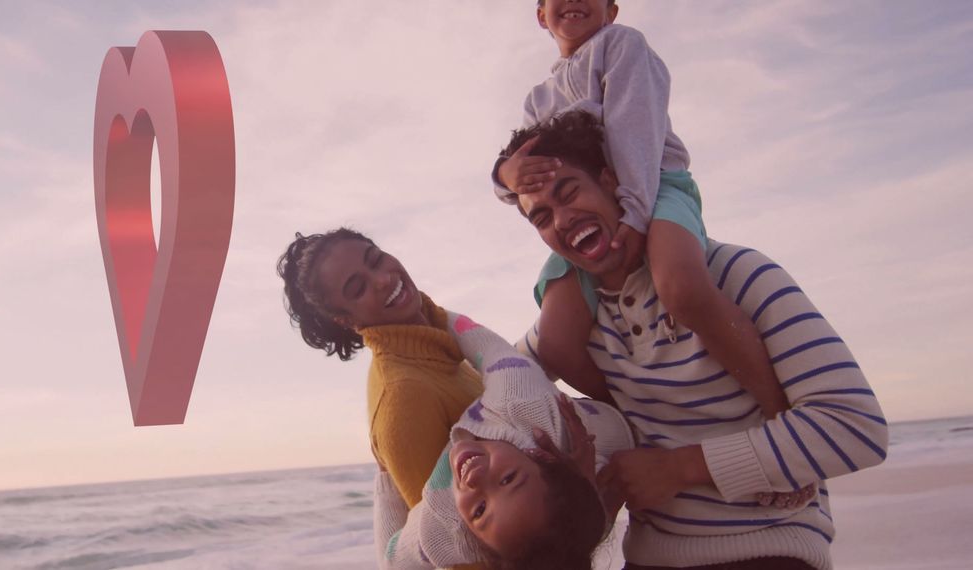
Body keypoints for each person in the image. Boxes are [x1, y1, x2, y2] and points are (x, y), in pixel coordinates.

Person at [504, 110, 889, 570]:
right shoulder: (575, 322)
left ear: (611, 182)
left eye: (570, 193)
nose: (563, 220)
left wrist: (680, 468)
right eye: (542, 217)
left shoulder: (735, 275)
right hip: (648, 557)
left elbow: (856, 428)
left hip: (769, 549)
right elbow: (493, 385)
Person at [493, 0, 790, 423]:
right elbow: (527, 175)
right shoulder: (538, 98)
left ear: (611, 10)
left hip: (656, 185)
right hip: (587, 211)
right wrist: (505, 174)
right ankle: (634, 421)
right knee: (556, 344)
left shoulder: (622, 44)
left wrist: (634, 211)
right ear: (542, 15)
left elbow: (636, 130)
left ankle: (774, 406)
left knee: (681, 287)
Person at [374, 311, 634, 569]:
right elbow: (485, 345)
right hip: (615, 424)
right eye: (508, 478)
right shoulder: (520, 396)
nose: (476, 479)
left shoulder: (444, 523)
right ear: (541, 456)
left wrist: (385, 474)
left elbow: (392, 561)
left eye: (480, 510)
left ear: (474, 543)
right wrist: (433, 311)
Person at [277, 229, 483, 513]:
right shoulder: (403, 396)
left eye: (375, 260)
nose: (383, 279)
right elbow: (450, 542)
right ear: (346, 319)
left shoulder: (448, 343)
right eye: (357, 288)